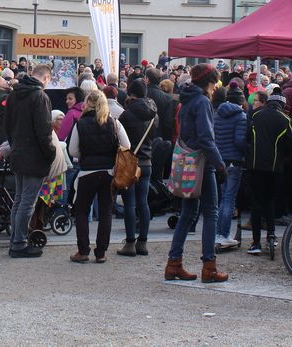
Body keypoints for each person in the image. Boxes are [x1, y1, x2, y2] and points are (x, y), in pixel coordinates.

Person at [165, 64, 229, 283]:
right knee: (211, 212)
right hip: (202, 161)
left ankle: (174, 263)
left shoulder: (187, 100)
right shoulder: (202, 101)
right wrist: (220, 165)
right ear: (210, 82)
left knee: (188, 213)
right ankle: (209, 267)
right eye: (215, 82)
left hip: (189, 160)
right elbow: (206, 138)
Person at [68, 89, 130, 263]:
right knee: (105, 213)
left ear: (87, 104)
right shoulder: (114, 123)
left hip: (87, 171)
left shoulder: (80, 123)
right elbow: (127, 145)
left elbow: (72, 150)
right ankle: (101, 252)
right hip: (109, 173)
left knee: (81, 211)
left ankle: (83, 250)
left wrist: (85, 154)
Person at [5, 62, 56, 257]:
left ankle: (15, 241)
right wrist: (50, 153)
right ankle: (19, 243)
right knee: (27, 201)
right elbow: (44, 131)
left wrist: (15, 145)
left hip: (18, 152)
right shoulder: (40, 97)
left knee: (19, 200)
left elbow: (8, 126)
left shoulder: (14, 94)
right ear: (46, 78)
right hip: (34, 155)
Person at [245, 89, 292, 255]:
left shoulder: (255, 115)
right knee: (269, 201)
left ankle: (255, 242)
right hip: (275, 167)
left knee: (255, 202)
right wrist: (283, 158)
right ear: (281, 104)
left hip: (254, 165)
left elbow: (247, 138)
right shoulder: (285, 119)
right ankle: (271, 235)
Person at [115, 79, 158, 256]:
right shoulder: (154, 114)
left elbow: (121, 140)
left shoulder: (127, 115)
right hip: (147, 161)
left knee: (129, 204)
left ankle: (130, 243)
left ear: (131, 94)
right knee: (143, 203)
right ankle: (143, 242)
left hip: (130, 162)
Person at [213, 84, 248, 252]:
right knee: (229, 198)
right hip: (234, 160)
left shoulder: (217, 114)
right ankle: (223, 234)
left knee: (221, 198)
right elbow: (240, 141)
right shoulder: (241, 116)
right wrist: (247, 151)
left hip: (220, 160)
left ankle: (218, 233)